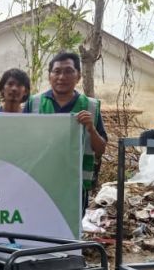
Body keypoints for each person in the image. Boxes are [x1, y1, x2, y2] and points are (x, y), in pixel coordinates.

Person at [24, 51, 107, 212]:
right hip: (39, 183)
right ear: (49, 76)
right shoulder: (34, 104)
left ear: (78, 76)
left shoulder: (90, 107)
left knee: (70, 232)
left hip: (75, 185)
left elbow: (101, 149)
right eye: (57, 71)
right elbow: (21, 143)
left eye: (68, 71)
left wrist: (91, 129)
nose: (62, 77)